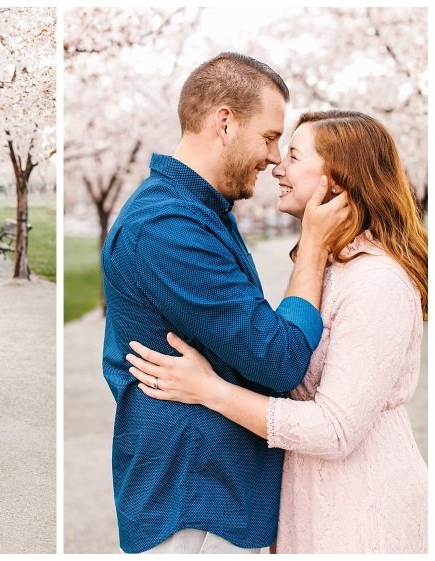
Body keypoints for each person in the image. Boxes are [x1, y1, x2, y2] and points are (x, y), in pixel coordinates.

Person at [126, 110, 428, 554]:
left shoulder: (376, 282)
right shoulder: (328, 267)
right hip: (310, 504)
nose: (277, 167)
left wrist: (210, 390)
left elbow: (336, 429)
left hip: (364, 510)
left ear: (337, 182)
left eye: (293, 156)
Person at [101, 52, 349, 554]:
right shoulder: (169, 226)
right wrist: (315, 249)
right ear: (224, 122)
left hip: (215, 493)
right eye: (269, 136)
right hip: (196, 501)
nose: (275, 157)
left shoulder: (203, 209)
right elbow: (277, 359)